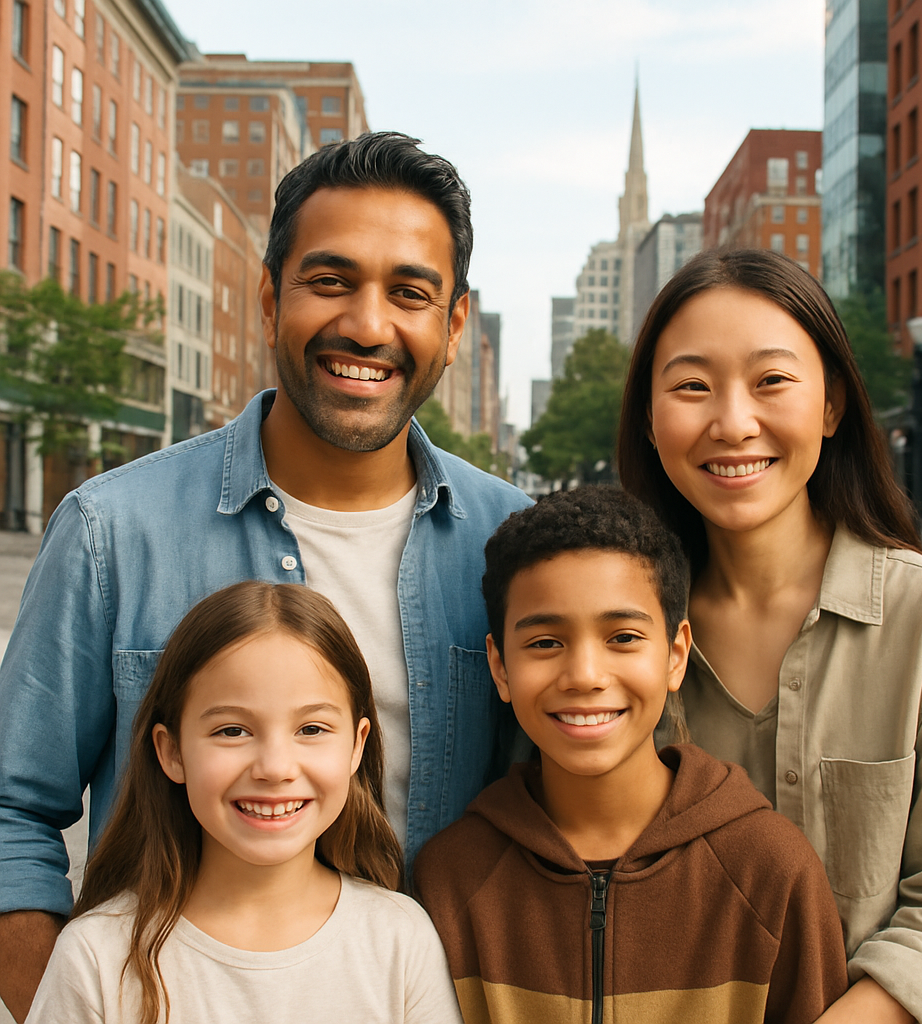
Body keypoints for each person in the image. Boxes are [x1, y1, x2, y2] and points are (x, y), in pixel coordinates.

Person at [0, 132, 531, 1022]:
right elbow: (12, 807)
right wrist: (66, 996)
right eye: (330, 281)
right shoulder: (112, 532)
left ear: (454, 324)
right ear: (267, 296)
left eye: (409, 292)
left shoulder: (512, 547)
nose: (367, 324)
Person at [617, 248, 922, 1024]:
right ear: (649, 415)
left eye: (772, 381)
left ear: (832, 406)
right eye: (692, 386)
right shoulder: (610, 638)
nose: (733, 422)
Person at [415, 487, 848, 1024]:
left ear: (675, 654)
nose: (585, 677)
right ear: (500, 668)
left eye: (622, 637)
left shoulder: (769, 870)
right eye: (545, 643)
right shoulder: (451, 878)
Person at [25, 581, 462, 1024]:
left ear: (356, 746)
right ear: (171, 751)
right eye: (232, 731)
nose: (274, 768)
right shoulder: (96, 956)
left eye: (311, 729)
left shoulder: (400, 940)